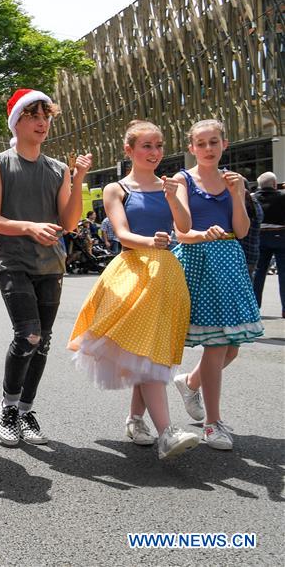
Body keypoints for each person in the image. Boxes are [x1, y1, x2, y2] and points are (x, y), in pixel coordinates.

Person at [68, 121, 200, 459]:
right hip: (132, 271)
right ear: (129, 150)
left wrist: (173, 198)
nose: (154, 153)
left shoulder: (173, 184)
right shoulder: (116, 188)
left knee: (151, 351)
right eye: (146, 146)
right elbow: (121, 234)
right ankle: (167, 433)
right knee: (146, 352)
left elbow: (183, 228)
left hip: (167, 273)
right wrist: (149, 241)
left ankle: (135, 419)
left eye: (158, 145)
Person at [0, 89, 92, 446]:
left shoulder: (58, 169)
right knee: (27, 334)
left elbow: (70, 222)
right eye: (33, 115)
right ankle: (8, 407)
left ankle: (27, 411)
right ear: (17, 122)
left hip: (50, 263)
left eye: (46, 115)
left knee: (42, 342)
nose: (42, 122)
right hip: (12, 260)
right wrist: (29, 226)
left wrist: (77, 178)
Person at [170, 120, 263, 451]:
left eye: (214, 142)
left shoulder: (234, 182)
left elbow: (240, 230)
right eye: (201, 143)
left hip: (229, 259)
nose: (208, 149)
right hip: (198, 261)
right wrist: (201, 234)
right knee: (219, 343)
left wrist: (238, 193)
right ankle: (212, 424)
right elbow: (181, 231)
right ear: (192, 148)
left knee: (232, 346)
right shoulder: (183, 179)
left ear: (224, 144)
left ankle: (190, 381)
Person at [252, 172, 285, 317]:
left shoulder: (253, 198)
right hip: (280, 235)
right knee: (283, 273)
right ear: (273, 184)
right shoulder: (282, 198)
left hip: (259, 236)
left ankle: (254, 306)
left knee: (258, 272)